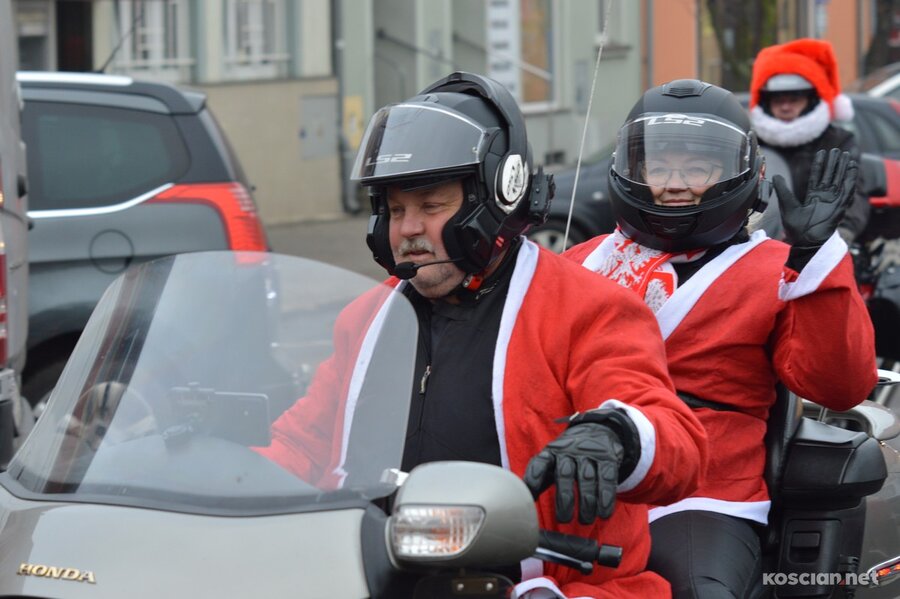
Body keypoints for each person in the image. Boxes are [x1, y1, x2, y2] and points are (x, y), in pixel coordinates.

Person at [256, 71, 708, 598]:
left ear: (496, 198)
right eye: (396, 210)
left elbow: (676, 442)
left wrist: (618, 435)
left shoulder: (585, 309)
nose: (407, 229)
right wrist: (225, 476)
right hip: (375, 572)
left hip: (543, 585)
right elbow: (302, 443)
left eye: (431, 206)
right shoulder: (366, 317)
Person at [563, 79, 878, 598]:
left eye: (697, 169)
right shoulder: (581, 260)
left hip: (700, 494)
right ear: (632, 169)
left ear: (743, 173)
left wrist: (815, 258)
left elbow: (839, 387)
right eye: (659, 168)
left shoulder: (778, 268)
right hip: (572, 473)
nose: (675, 185)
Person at [749, 37, 870, 243]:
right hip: (762, 239)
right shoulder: (752, 142)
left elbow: (853, 192)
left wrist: (842, 233)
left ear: (811, 100)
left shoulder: (838, 141)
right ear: (766, 102)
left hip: (819, 238)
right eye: (778, 100)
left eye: (794, 99)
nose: (785, 107)